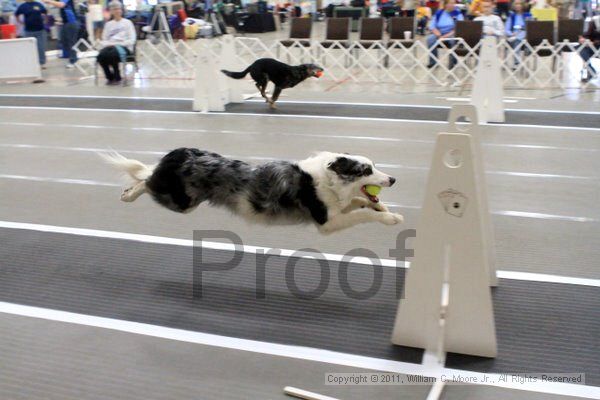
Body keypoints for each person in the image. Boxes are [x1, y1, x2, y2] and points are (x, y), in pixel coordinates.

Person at [97, 1, 136, 84]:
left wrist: (118, 44)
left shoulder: (128, 23)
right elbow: (104, 39)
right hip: (109, 46)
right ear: (111, 11)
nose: (117, 11)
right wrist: (107, 44)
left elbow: (132, 39)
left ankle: (117, 75)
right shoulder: (108, 24)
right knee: (101, 56)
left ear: (121, 10)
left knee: (113, 55)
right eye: (114, 9)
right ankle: (109, 77)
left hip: (124, 46)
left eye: (118, 9)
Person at [427, 0, 464, 68]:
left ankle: (452, 63)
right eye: (451, 3)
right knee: (430, 39)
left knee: (453, 41)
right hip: (439, 33)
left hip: (452, 34)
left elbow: (459, 28)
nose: (453, 5)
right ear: (446, 4)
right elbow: (432, 25)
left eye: (454, 3)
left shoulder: (458, 13)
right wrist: (437, 33)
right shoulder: (439, 13)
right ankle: (433, 62)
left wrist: (445, 36)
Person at [44, 0, 79, 68]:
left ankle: (73, 60)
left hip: (71, 22)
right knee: (63, 41)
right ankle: (72, 57)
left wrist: (49, 1)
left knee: (71, 42)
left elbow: (61, 5)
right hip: (66, 23)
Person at [15, 0, 48, 68]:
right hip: (29, 30)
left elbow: (45, 12)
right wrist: (21, 22)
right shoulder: (23, 6)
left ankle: (42, 63)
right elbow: (16, 14)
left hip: (40, 30)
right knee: (29, 48)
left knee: (40, 47)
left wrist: (45, 20)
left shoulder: (38, 4)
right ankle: (31, 63)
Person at [505, 0, 531, 68]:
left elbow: (531, 26)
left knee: (519, 39)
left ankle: (518, 62)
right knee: (515, 40)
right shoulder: (511, 16)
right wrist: (511, 33)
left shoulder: (528, 15)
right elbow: (506, 29)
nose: (518, 5)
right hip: (514, 35)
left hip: (526, 35)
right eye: (516, 4)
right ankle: (514, 62)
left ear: (523, 5)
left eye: (520, 4)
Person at [578, 16, 599, 82]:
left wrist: (594, 42)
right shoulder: (594, 21)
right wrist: (583, 39)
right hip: (591, 46)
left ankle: (590, 70)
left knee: (582, 49)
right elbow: (587, 34)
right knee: (582, 48)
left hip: (597, 46)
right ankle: (591, 70)